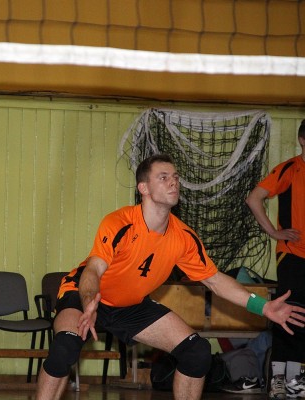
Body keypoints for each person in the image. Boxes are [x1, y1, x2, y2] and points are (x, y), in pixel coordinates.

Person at [36, 154, 305, 400]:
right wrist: (89, 301)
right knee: (64, 348)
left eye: (175, 177)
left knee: (197, 352)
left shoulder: (183, 237)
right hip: (85, 294)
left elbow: (215, 280)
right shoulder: (120, 222)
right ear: (144, 188)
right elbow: (93, 270)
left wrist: (263, 306)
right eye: (163, 177)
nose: (173, 182)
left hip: (131, 305)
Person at [246, 120, 305, 399]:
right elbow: (254, 199)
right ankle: (279, 379)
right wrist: (273, 232)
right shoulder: (290, 169)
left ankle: (296, 380)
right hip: (292, 254)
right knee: (288, 312)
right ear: (302, 140)